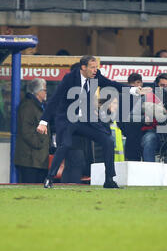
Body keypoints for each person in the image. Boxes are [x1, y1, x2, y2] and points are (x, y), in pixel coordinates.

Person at [36, 55, 151, 189]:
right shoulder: (70, 78)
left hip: (85, 121)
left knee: (108, 141)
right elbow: (54, 100)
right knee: (65, 144)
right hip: (68, 119)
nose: (95, 70)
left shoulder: (96, 76)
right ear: (83, 68)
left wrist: (134, 90)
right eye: (92, 67)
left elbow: (112, 84)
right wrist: (43, 122)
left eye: (96, 67)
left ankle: (109, 180)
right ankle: (49, 178)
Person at [14, 78, 50, 183]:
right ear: (38, 92)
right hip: (30, 160)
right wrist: (40, 143)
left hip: (38, 159)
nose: (46, 93)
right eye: (44, 90)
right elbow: (26, 131)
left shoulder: (40, 106)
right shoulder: (28, 106)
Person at [140, 73, 167, 162]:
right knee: (149, 139)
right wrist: (144, 119)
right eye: (162, 85)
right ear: (156, 85)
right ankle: (150, 170)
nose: (164, 88)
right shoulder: (147, 97)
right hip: (153, 131)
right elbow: (131, 116)